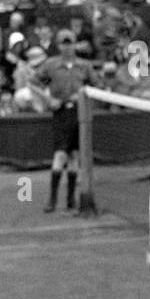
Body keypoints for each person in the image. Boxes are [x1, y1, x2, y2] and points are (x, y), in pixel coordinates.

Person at [37, 32, 94, 213]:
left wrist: (83, 93)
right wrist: (48, 100)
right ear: (58, 45)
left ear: (75, 45)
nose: (67, 47)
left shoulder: (84, 66)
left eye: (70, 43)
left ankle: (71, 199)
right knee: (60, 154)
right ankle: (53, 199)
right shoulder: (51, 66)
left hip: (79, 113)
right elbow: (34, 83)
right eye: (64, 43)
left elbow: (96, 85)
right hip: (61, 113)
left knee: (75, 156)